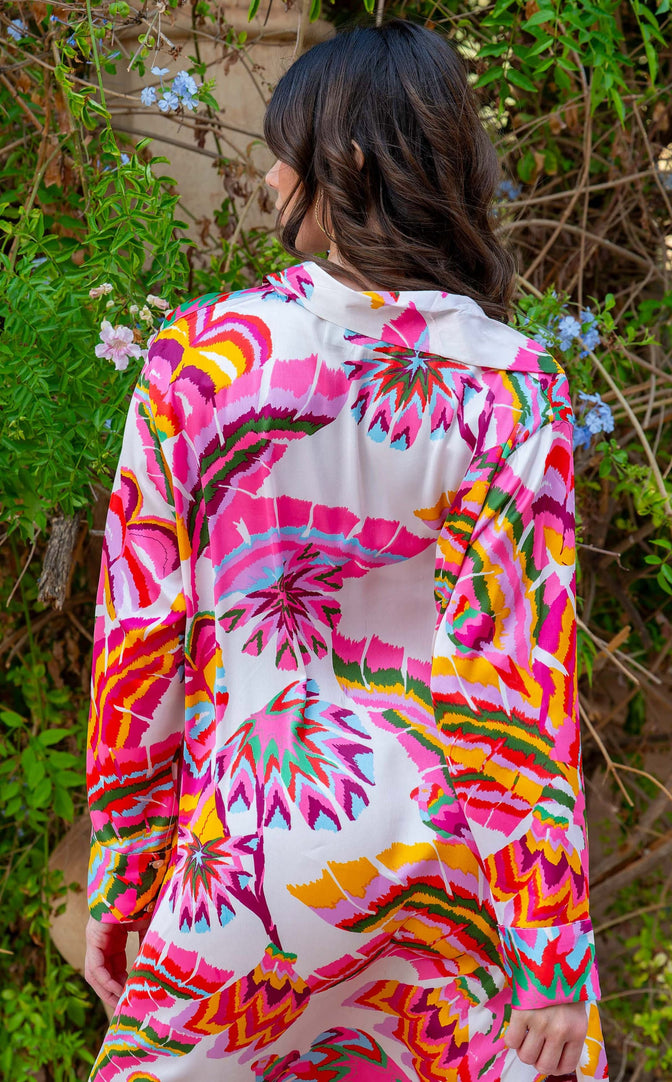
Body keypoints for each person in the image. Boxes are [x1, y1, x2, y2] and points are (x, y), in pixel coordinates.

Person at [84, 19, 607, 1082]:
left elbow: (139, 647)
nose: (274, 176)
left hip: (249, 852)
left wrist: (124, 880)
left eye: (289, 152)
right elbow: (512, 680)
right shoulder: (512, 386)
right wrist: (552, 950)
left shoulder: (197, 357)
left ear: (348, 162)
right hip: (447, 869)